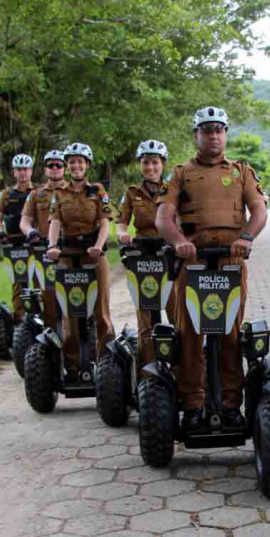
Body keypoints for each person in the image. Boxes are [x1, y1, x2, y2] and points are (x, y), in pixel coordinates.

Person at [155, 107, 267, 432]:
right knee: (190, 333)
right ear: (197, 135)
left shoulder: (242, 171)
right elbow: (163, 217)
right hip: (193, 263)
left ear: (226, 134)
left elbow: (259, 211)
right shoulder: (181, 173)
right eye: (206, 130)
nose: (213, 136)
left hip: (231, 262)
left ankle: (231, 404)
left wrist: (246, 237)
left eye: (219, 129)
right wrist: (178, 241)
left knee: (230, 332)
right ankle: (193, 403)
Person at [45, 143, 115, 379]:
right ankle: (73, 367)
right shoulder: (59, 193)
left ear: (87, 165)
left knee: (101, 311)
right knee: (71, 312)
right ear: (67, 166)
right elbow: (55, 222)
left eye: (80, 162)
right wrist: (52, 246)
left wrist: (99, 246)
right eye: (72, 162)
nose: (76, 166)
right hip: (67, 255)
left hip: (93, 255)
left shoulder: (98, 191)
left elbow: (105, 222)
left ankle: (107, 364)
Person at [117, 139, 174, 371]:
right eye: (146, 162)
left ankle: (179, 369)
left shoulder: (173, 189)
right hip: (141, 255)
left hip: (168, 254)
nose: (150, 167)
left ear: (163, 164)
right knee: (145, 315)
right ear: (140, 165)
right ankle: (147, 371)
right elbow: (121, 222)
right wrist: (122, 234)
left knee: (174, 310)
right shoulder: (132, 193)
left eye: (155, 162)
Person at [20, 150, 67, 330]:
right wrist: (31, 232)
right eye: (50, 165)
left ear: (64, 168)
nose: (54, 168)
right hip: (44, 250)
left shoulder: (74, 190)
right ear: (45, 169)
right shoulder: (36, 194)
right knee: (48, 294)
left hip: (68, 249)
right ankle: (50, 333)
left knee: (71, 292)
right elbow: (25, 219)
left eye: (58, 165)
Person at [0, 153, 35, 324]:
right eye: (19, 170)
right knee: (19, 283)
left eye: (25, 169)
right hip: (14, 244)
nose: (22, 173)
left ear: (30, 171)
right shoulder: (7, 194)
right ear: (14, 172)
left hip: (35, 243)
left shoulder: (38, 192)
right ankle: (20, 320)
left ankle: (43, 316)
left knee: (40, 280)